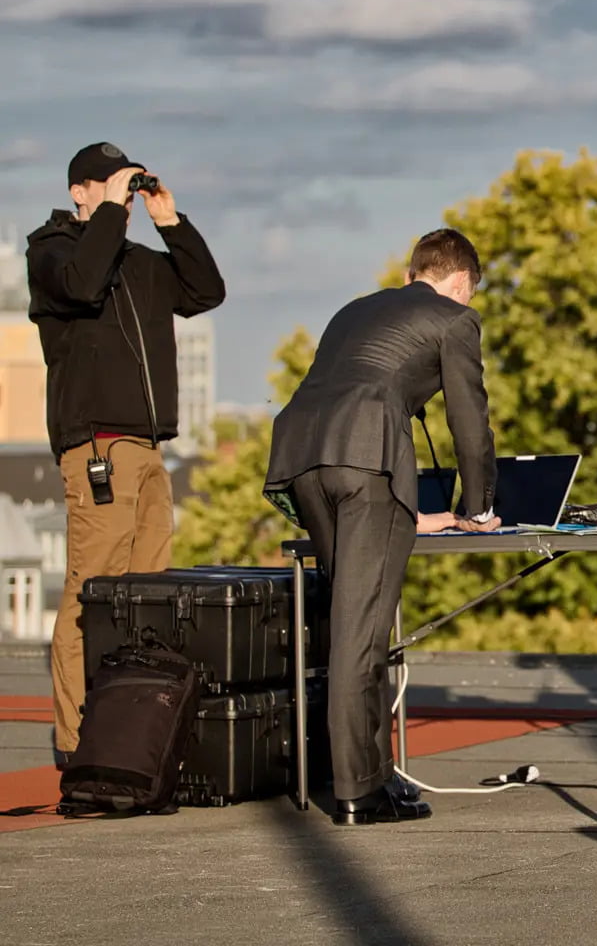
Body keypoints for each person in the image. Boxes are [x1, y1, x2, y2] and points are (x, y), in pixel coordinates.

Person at [264, 227, 499, 826]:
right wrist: (477, 509)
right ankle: (358, 791)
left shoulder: (355, 310)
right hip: (367, 461)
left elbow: (353, 387)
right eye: (467, 293)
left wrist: (410, 512)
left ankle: (366, 774)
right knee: (361, 633)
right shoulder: (455, 318)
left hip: (301, 456)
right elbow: (470, 426)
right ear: (458, 283)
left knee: (348, 616)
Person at [26, 142, 226, 768]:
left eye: (128, 187)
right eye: (109, 186)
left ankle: (131, 740)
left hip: (146, 448)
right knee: (93, 591)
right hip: (96, 449)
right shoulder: (51, 252)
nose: (124, 199)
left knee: (148, 596)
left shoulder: (138, 260)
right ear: (80, 190)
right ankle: (75, 742)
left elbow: (206, 291)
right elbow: (84, 285)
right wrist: (111, 210)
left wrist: (170, 219)